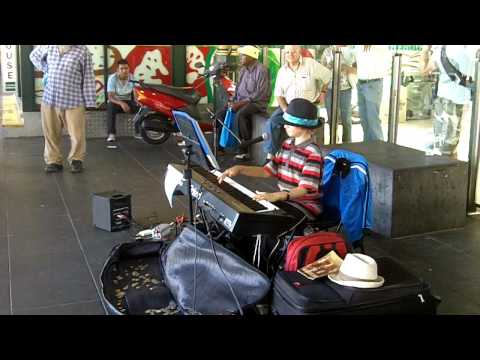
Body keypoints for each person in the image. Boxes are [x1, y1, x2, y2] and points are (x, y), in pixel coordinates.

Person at [218, 98, 324, 222]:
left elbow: (304, 189)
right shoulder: (287, 143)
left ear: (304, 126)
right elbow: (267, 171)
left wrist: (277, 196)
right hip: (287, 200)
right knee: (250, 213)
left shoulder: (313, 153)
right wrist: (240, 169)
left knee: (261, 220)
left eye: (289, 123)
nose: (285, 126)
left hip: (306, 206)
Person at [30, 45, 96, 173]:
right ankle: (53, 161)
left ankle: (76, 160)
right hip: (50, 99)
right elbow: (33, 56)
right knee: (51, 133)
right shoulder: (49, 46)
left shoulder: (82, 51)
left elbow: (88, 77)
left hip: (74, 101)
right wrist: (46, 68)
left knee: (77, 134)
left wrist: (90, 101)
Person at [263, 45, 331, 160]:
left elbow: (328, 76)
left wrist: (323, 92)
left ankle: (311, 157)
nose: (290, 54)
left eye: (293, 52)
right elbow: (279, 96)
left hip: (307, 107)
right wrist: (286, 111)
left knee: (306, 128)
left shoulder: (310, 64)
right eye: (287, 52)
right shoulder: (282, 71)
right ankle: (270, 157)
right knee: (272, 122)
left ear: (299, 51)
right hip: (289, 107)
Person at [215, 45, 271, 160]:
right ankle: (220, 147)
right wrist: (233, 100)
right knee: (220, 115)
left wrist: (241, 103)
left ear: (251, 56)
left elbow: (261, 93)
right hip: (240, 101)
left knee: (241, 114)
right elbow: (238, 89)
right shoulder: (243, 70)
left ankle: (244, 149)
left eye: (243, 55)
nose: (240, 58)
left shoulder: (262, 70)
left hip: (257, 103)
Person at [421, 45, 474, 156]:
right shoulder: (467, 51)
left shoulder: (441, 50)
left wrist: (425, 51)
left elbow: (425, 71)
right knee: (452, 144)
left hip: (445, 99)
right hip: (463, 99)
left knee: (442, 143)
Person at [351, 45, 390, 141]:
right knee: (364, 119)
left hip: (373, 83)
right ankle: (368, 146)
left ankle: (378, 148)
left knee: (372, 119)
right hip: (361, 83)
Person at [320, 45, 356, 143]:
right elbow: (321, 72)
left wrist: (347, 67)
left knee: (346, 119)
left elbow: (357, 70)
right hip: (330, 89)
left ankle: (347, 143)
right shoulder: (327, 51)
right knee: (331, 119)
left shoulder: (352, 51)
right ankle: (333, 141)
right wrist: (323, 91)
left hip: (345, 89)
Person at [106, 59, 138, 142]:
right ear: (117, 70)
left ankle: (139, 132)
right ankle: (111, 134)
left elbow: (135, 94)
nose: (124, 70)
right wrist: (122, 103)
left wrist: (138, 102)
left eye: (126, 68)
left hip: (128, 101)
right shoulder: (112, 78)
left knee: (141, 108)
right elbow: (110, 97)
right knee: (110, 106)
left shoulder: (132, 77)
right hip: (115, 102)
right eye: (122, 68)